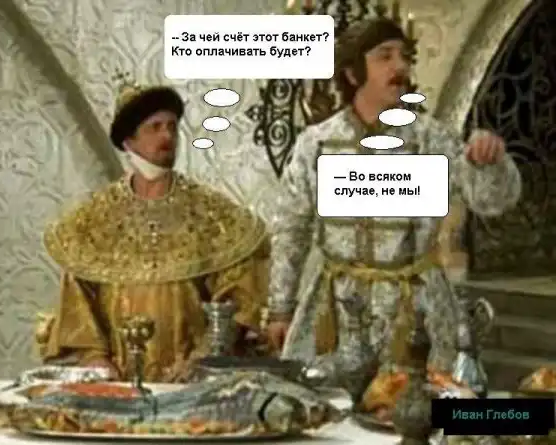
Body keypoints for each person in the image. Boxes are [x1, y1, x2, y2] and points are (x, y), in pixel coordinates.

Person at [265, 17, 522, 393]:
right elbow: (291, 227)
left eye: (405, 57)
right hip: (337, 309)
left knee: (416, 409)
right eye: (385, 56)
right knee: (327, 409)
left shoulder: (432, 138)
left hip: (416, 310)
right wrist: (281, 307)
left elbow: (491, 201)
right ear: (353, 73)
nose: (400, 66)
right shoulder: (316, 143)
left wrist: (489, 163)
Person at [37, 81, 271, 382]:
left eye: (172, 127)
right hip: (117, 383)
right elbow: (78, 301)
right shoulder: (94, 219)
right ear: (129, 140)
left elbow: (236, 296)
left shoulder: (210, 213)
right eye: (155, 127)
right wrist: (96, 360)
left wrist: (203, 356)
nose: (167, 136)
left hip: (192, 380)